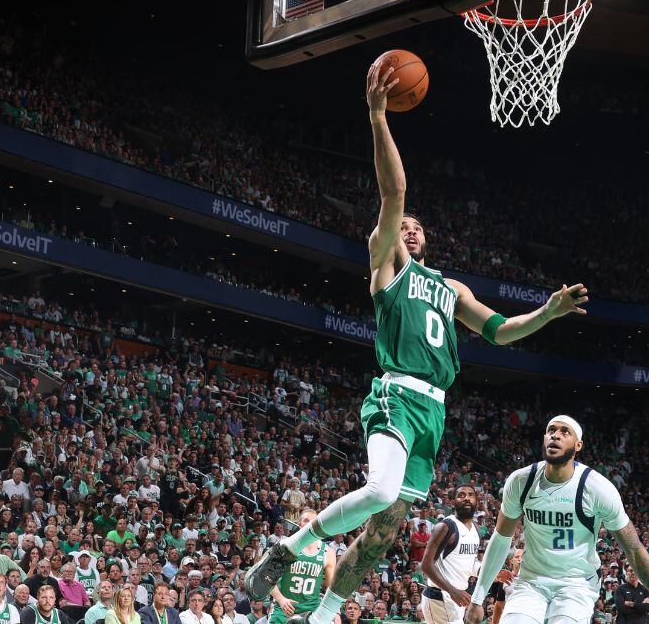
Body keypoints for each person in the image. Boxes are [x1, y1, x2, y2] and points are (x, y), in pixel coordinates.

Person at [245, 62, 590, 624]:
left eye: (417, 228)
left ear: (429, 239)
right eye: (401, 225)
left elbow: (501, 331)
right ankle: (292, 546)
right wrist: (379, 115)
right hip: (397, 397)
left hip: (434, 412)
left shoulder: (451, 289)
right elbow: (395, 191)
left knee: (381, 536)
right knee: (380, 491)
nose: (409, 229)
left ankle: (324, 613)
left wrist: (548, 312)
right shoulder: (388, 271)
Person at [463, 416, 649, 624]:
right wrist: (477, 598)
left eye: (564, 432)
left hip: (576, 583)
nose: (555, 436)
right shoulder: (521, 481)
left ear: (578, 445)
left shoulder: (597, 487)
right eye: (551, 431)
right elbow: (501, 539)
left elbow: (634, 550)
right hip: (531, 581)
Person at [420, 486, 480, 624]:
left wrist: (489, 572)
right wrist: (453, 591)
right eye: (461, 495)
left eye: (471, 495)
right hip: (440, 597)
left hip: (457, 598)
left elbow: (469, 564)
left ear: (476, 501)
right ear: (453, 503)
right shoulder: (445, 527)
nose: (466, 498)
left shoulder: (476, 529)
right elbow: (426, 565)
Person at [268, 510, 335, 624]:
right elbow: (266, 578)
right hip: (283, 608)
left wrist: (334, 613)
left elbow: (330, 588)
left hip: (312, 610)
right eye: (306, 521)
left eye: (313, 521)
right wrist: (281, 599)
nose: (310, 524)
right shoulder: (285, 546)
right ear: (299, 525)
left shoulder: (328, 552)